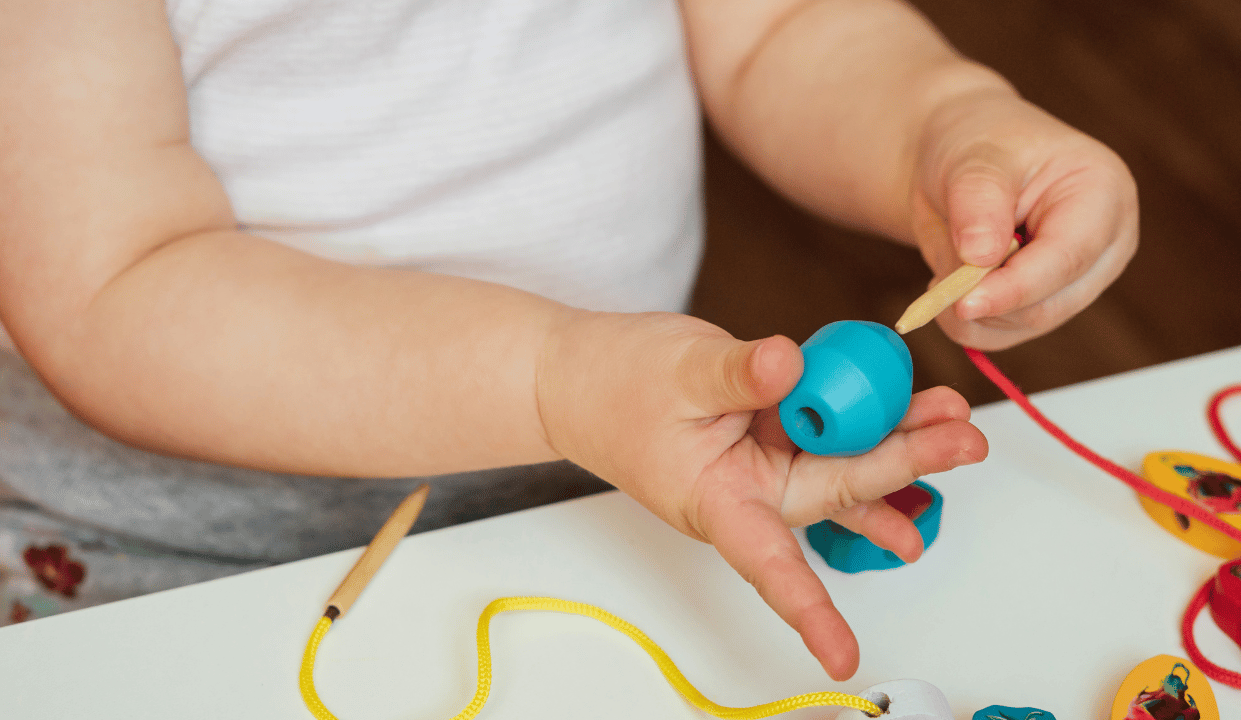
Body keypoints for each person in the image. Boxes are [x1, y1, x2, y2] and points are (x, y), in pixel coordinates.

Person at [0, 0, 1136, 680]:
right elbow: (115, 282)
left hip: (611, 467)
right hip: (172, 555)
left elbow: (778, 29)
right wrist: (552, 375)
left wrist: (940, 123)